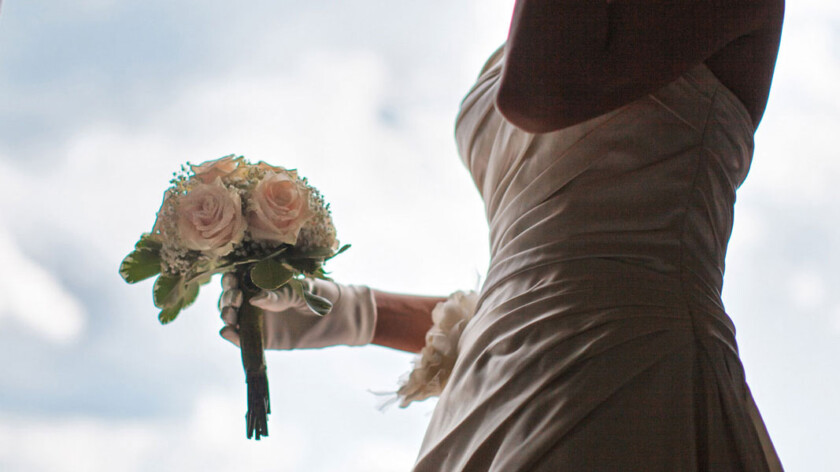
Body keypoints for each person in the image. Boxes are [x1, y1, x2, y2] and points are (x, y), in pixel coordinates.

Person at [219, 1, 786, 470]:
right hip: (486, 400)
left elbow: (536, 93)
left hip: (624, 375)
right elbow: (539, 277)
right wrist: (350, 313)